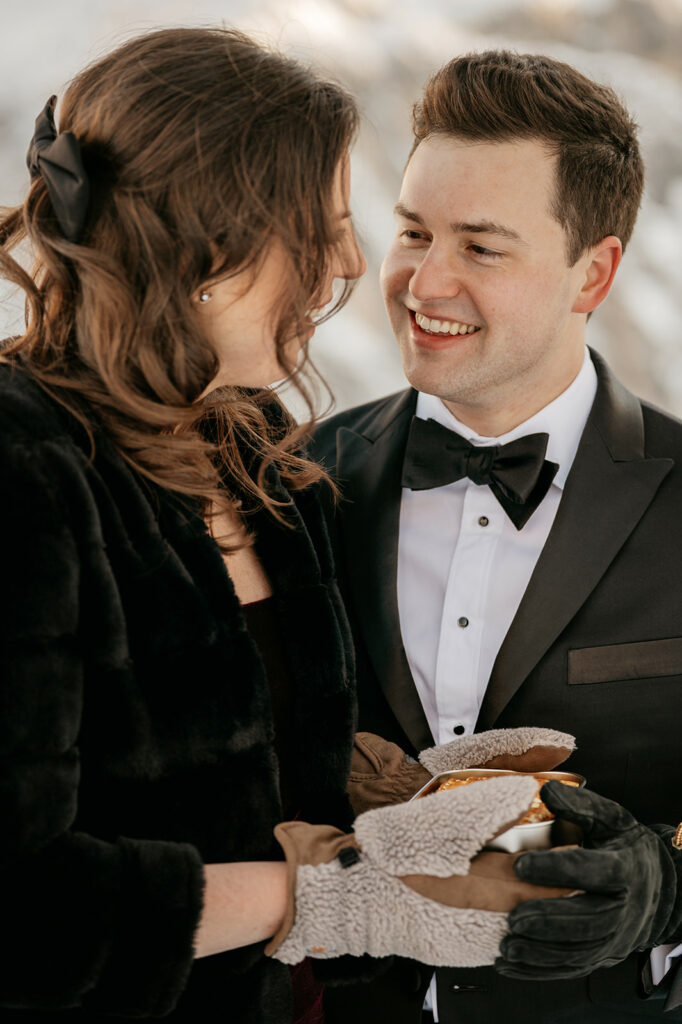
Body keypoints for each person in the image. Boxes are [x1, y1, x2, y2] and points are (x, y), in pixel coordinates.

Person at [0, 28, 578, 1024]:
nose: (351, 260)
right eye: (315, 228)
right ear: (203, 251)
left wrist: (408, 801)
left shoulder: (252, 449)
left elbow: (256, 770)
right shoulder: (20, 468)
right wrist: (326, 896)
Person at [313, 50, 682, 1024]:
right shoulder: (301, 483)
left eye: (480, 247)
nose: (423, 280)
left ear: (591, 272)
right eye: (412, 231)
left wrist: (667, 888)